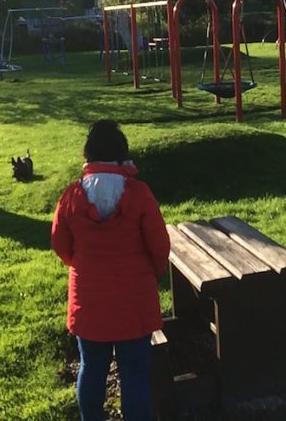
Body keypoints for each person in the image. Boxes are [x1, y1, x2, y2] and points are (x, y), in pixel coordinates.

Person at [51, 119, 170, 421]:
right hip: (134, 300)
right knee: (134, 374)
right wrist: (153, 273)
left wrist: (81, 265)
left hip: (89, 300)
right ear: (121, 154)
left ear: (88, 155)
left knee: (91, 368)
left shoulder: (71, 196)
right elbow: (159, 246)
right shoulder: (140, 194)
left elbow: (60, 244)